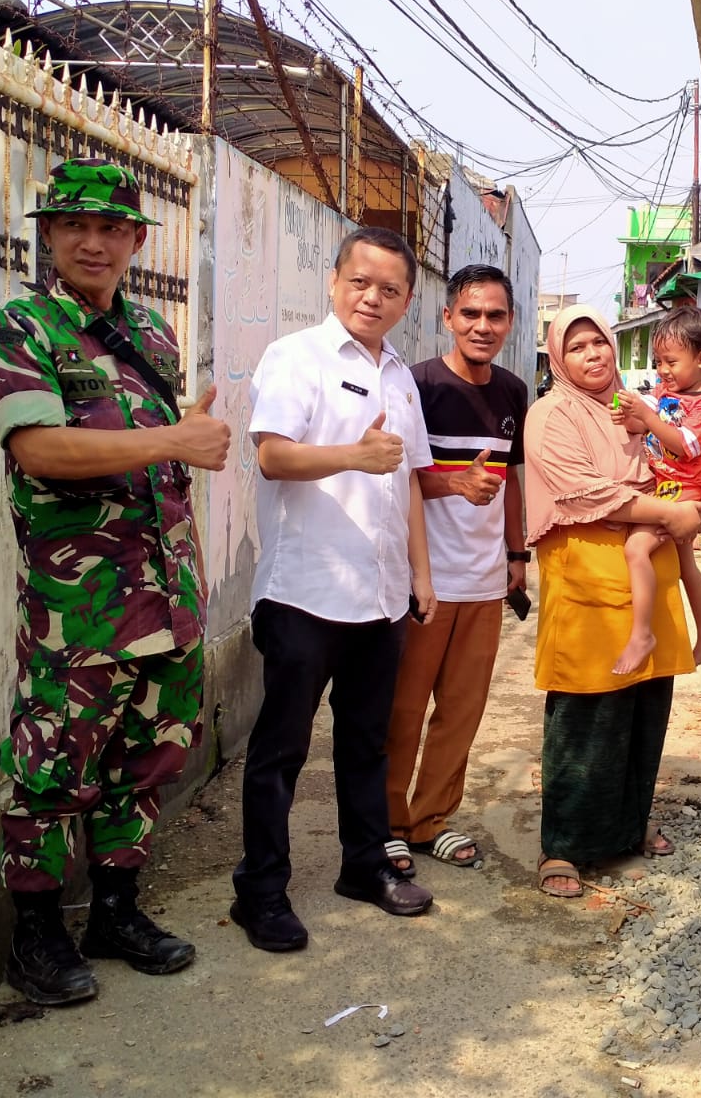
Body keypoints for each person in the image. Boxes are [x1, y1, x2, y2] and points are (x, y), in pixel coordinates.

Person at [0, 157, 231, 1005]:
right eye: (75, 226)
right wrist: (173, 443)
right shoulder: (21, 327)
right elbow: (41, 449)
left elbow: (170, 460)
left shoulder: (152, 335)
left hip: (167, 597)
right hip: (78, 610)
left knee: (147, 760)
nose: (94, 242)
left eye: (111, 228)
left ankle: (115, 912)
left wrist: (188, 439)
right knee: (53, 771)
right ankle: (36, 935)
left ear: (135, 240)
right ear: (49, 234)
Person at [231, 226, 437, 948]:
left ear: (407, 300)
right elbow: (273, 457)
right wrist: (355, 454)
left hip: (379, 596)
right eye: (360, 282)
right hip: (304, 591)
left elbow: (406, 477)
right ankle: (260, 891)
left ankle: (363, 865)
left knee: (365, 742)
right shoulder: (297, 358)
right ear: (333, 282)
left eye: (389, 289)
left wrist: (420, 571)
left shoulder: (401, 377)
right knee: (281, 749)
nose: (372, 298)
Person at [524, 306, 701, 898]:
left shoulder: (633, 405)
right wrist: (669, 512)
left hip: (644, 565)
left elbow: (676, 461)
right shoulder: (550, 415)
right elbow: (586, 491)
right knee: (586, 712)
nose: (594, 355)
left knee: (644, 708)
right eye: (577, 348)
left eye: (599, 343)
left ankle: (628, 827)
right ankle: (566, 847)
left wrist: (687, 506)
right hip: (585, 567)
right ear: (559, 358)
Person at [383, 264, 529, 871]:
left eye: (495, 315)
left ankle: (431, 819)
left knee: (462, 709)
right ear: (447, 317)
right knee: (404, 707)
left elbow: (511, 478)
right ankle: (388, 821)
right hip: (424, 577)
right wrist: (455, 484)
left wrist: (517, 555)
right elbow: (402, 476)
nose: (482, 325)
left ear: (510, 322)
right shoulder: (417, 386)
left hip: (485, 578)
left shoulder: (515, 392)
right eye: (470, 313)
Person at [610, 306, 701, 675]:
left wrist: (647, 419)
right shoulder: (663, 393)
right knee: (686, 564)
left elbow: (682, 444)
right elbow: (644, 426)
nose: (662, 370)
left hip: (683, 491)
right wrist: (630, 416)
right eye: (658, 361)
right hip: (667, 488)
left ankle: (642, 634)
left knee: (636, 548)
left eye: (670, 361)